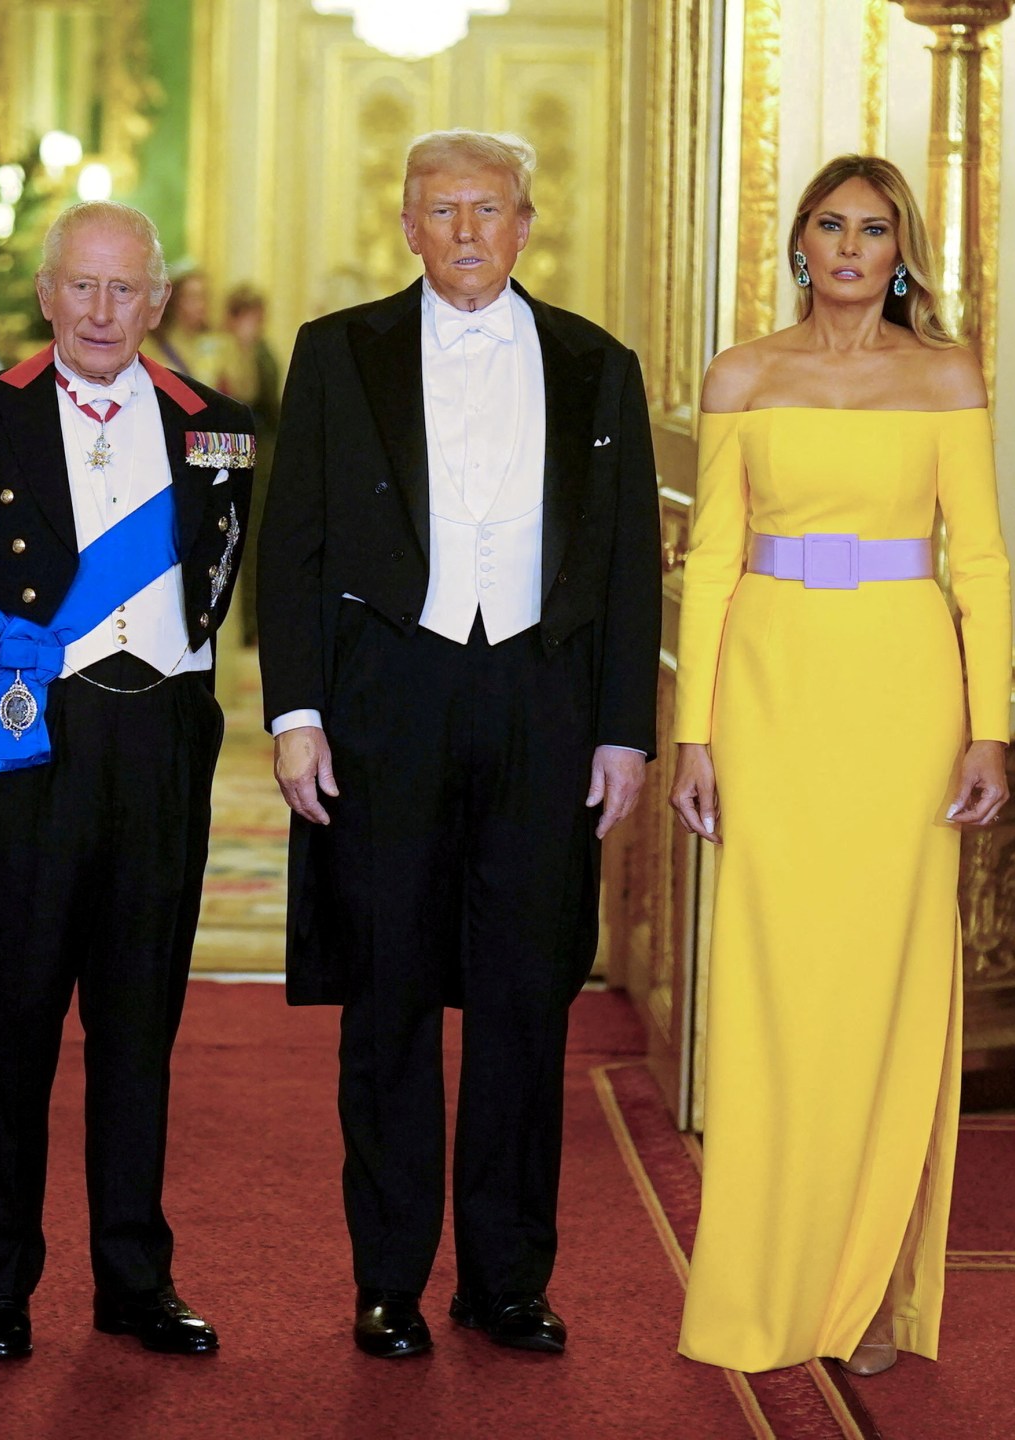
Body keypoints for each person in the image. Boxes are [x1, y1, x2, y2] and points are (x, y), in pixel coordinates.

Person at [257, 130, 661, 1359]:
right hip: (389, 700)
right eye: (444, 210)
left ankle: (507, 1279)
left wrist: (624, 731)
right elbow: (291, 543)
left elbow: (629, 561)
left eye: (490, 209)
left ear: (527, 224)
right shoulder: (337, 352)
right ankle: (388, 1281)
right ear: (408, 226)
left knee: (525, 1000)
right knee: (386, 999)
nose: (469, 231)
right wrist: (295, 714)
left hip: (544, 703)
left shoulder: (598, 364)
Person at [669, 154, 1011, 1377]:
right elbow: (712, 561)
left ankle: (867, 1293)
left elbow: (981, 563)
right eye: (831, 226)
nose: (852, 248)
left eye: (874, 229)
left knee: (886, 990)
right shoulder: (742, 374)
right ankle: (763, 1283)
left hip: (905, 696)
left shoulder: (947, 376)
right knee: (773, 991)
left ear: (900, 250)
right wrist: (694, 733)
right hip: (769, 691)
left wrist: (987, 727)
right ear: (801, 245)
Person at [0, 201, 255, 1360]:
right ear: (48, 295)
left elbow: (220, 576)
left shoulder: (219, 429)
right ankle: (0, 1284)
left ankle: (134, 1280)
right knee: (13, 1024)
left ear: (157, 303)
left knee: (139, 1026)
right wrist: (13, 679)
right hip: (31, 747)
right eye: (83, 287)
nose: (103, 311)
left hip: (160, 743)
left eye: (126, 290)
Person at [222, 284, 282, 644]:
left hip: (265, 451)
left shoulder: (263, 350)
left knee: (259, 535)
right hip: (241, 451)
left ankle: (255, 621)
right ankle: (245, 624)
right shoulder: (226, 351)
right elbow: (246, 394)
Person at [143, 266, 232, 392]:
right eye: (193, 297)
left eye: (205, 297)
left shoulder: (218, 343)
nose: (201, 305)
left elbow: (245, 391)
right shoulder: (155, 343)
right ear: (175, 300)